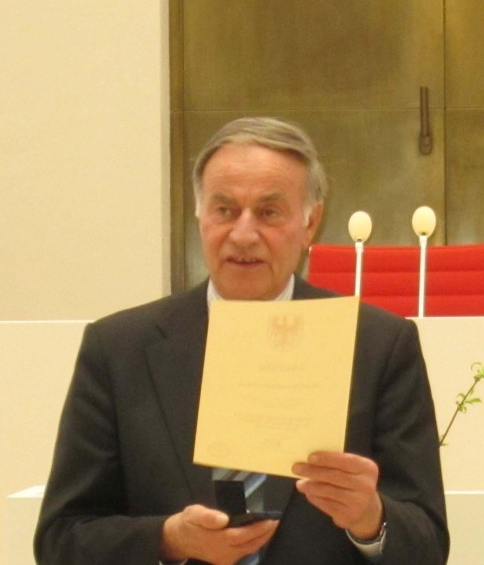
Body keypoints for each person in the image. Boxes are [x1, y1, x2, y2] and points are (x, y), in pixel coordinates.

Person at [35, 117, 449, 564]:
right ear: (199, 215)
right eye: (225, 210)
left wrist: (370, 519)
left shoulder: (378, 346)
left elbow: (427, 543)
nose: (244, 234)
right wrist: (169, 540)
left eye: (269, 212)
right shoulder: (118, 350)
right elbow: (62, 539)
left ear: (311, 222)